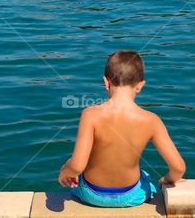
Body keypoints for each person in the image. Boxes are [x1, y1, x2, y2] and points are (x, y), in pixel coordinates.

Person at [58, 51, 185, 207]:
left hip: (91, 195)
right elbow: (178, 167)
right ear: (140, 85)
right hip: (131, 196)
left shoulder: (90, 115)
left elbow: (77, 166)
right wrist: (168, 179)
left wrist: (65, 171)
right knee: (145, 178)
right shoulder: (152, 120)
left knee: (75, 169)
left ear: (106, 82)